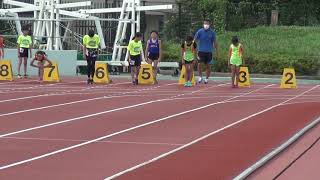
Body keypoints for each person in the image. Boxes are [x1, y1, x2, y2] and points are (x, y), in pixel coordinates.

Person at [194, 19, 219, 84]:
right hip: (201, 51)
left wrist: (217, 51)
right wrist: (193, 48)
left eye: (207, 24)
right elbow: (195, 40)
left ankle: (207, 78)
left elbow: (215, 42)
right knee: (199, 64)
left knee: (208, 66)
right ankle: (200, 77)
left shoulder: (212, 32)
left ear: (209, 24)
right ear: (203, 24)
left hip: (209, 52)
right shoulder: (199, 31)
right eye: (205, 23)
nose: (206, 25)